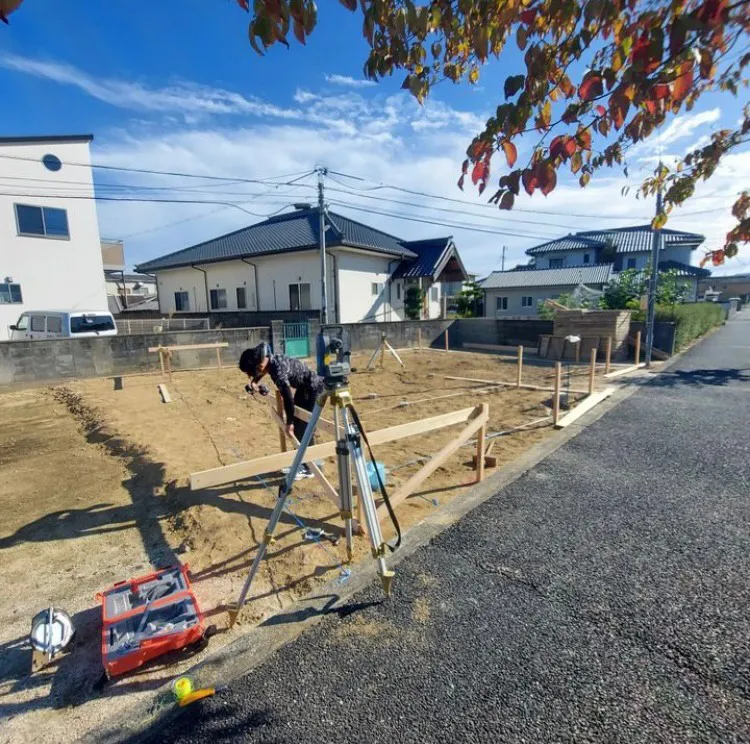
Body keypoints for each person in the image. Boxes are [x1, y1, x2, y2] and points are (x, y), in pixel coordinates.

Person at [239, 342, 325, 479]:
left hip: (313, 388)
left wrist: (289, 422)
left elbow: (288, 398)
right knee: (299, 426)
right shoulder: (269, 360)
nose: (251, 376)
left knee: (303, 428)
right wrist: (254, 382)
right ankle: (308, 463)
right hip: (304, 388)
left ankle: (309, 468)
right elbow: (264, 370)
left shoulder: (278, 372)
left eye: (251, 373)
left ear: (259, 366)